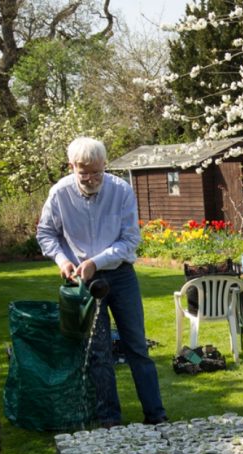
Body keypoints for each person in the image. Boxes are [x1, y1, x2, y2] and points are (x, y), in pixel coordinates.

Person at [36, 137, 167, 427]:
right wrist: (62, 260)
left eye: (98, 172)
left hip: (120, 276)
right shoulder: (59, 194)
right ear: (72, 167)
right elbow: (46, 234)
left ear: (105, 165)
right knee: (98, 352)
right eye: (85, 173)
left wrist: (98, 262)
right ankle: (110, 419)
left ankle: (156, 415)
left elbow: (131, 239)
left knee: (137, 347)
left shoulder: (120, 190)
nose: (92, 179)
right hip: (83, 283)